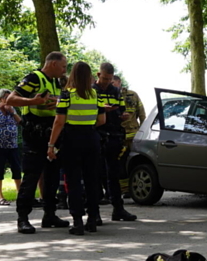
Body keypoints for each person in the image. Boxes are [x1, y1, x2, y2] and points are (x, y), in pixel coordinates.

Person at [5, 51, 71, 234]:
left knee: (51, 176)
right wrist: (33, 100)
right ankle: (23, 218)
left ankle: (50, 215)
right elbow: (10, 100)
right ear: (53, 64)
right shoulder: (34, 78)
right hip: (35, 134)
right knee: (32, 177)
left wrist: (56, 102)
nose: (65, 70)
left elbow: (58, 102)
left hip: (52, 134)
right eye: (63, 66)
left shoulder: (57, 82)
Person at [47, 62, 104, 235]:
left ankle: (78, 222)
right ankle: (92, 219)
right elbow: (102, 121)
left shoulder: (67, 95)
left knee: (73, 181)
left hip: (72, 139)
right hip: (92, 138)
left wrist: (51, 145)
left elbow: (59, 121)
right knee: (92, 180)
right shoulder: (95, 94)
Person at [95, 63, 137, 221]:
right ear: (99, 75)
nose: (107, 82)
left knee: (113, 174)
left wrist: (123, 115)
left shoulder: (115, 91)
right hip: (97, 134)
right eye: (105, 78)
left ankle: (118, 209)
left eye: (110, 79)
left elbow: (120, 110)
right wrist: (101, 110)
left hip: (113, 135)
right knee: (95, 174)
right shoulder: (92, 91)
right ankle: (95, 212)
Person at [113, 75, 145, 198]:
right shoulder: (110, 95)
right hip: (119, 135)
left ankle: (130, 189)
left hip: (132, 135)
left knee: (131, 162)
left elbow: (142, 113)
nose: (111, 84)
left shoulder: (133, 95)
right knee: (119, 163)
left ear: (119, 82)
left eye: (113, 82)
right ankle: (124, 189)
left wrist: (143, 131)